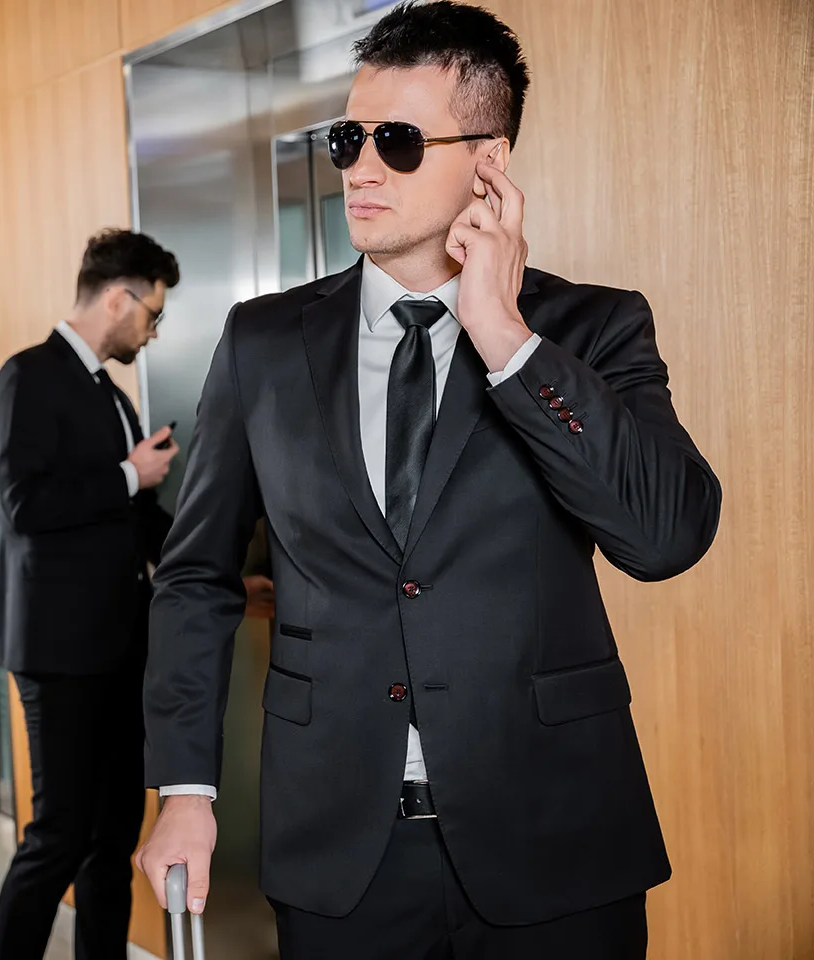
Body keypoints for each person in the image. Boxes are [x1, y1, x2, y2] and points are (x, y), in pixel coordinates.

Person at [136, 3, 723, 958]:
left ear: (489, 163)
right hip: (338, 853)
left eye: (398, 141)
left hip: (556, 844)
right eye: (348, 138)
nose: (361, 168)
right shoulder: (262, 343)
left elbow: (665, 538)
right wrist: (185, 791)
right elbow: (195, 576)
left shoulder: (593, 330)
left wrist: (507, 340)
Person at [0, 229, 182, 960]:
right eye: (152, 315)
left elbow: (132, 515)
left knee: (113, 839)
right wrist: (130, 475)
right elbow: (23, 505)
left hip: (120, 645)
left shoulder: (111, 394)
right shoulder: (28, 376)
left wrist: (209, 568)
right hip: (59, 652)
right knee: (59, 837)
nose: (152, 331)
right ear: (117, 297)